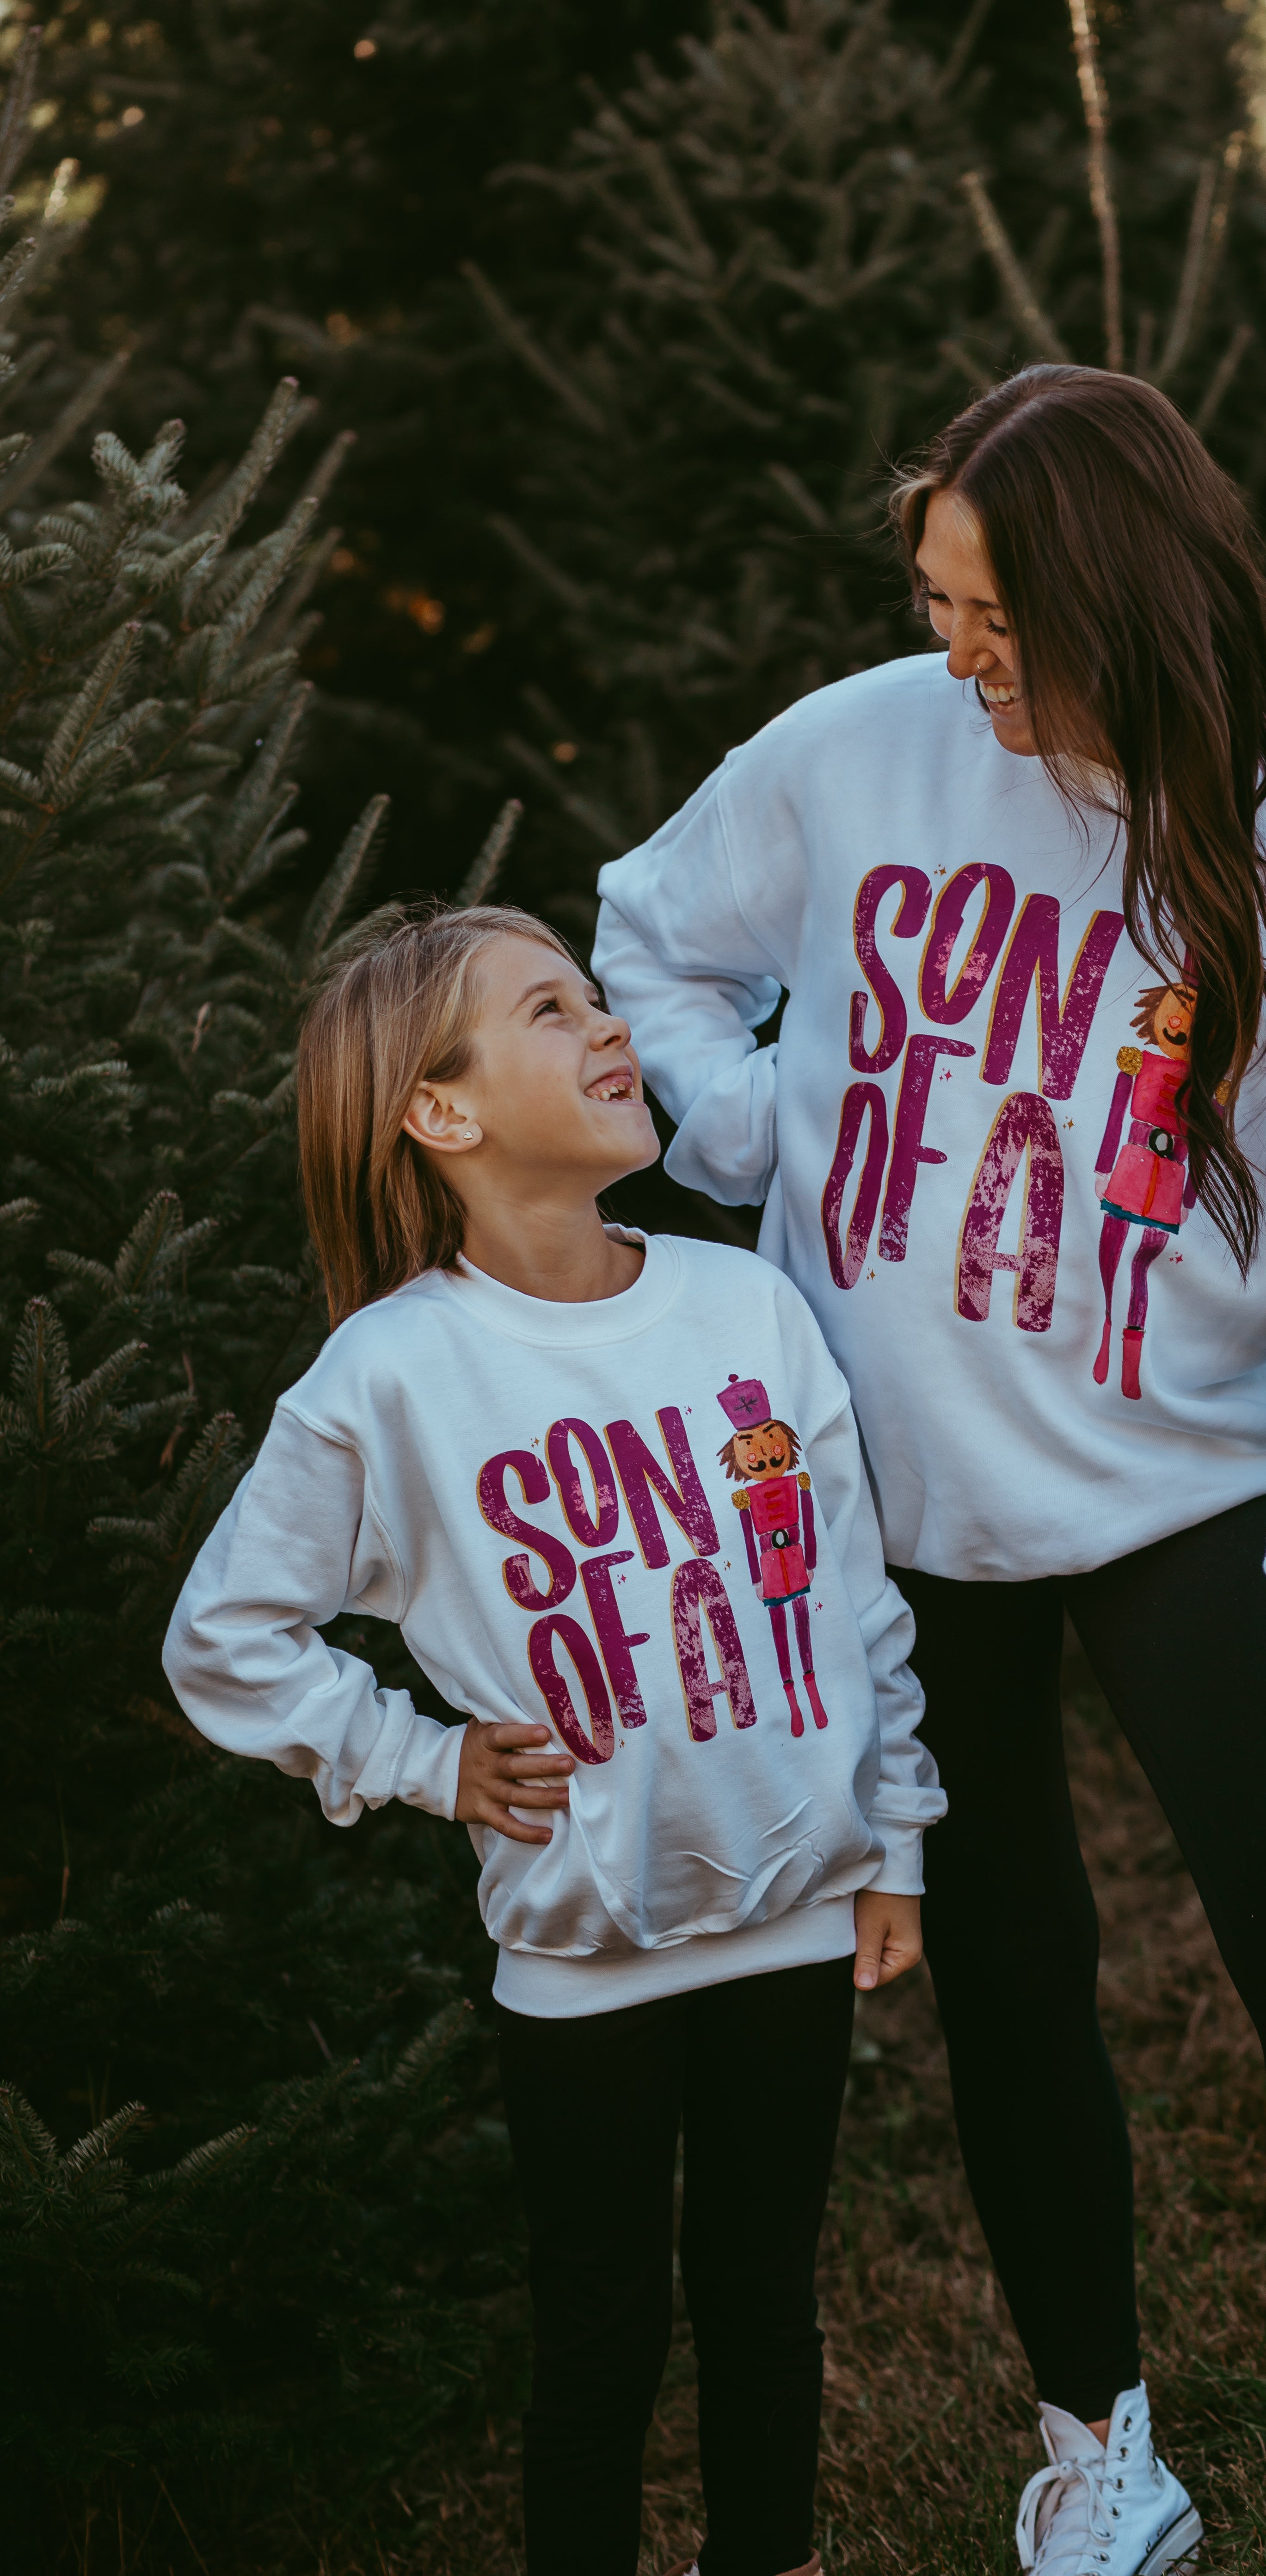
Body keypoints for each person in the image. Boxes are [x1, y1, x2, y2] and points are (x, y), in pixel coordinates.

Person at [594, 366, 1266, 2576]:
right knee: (1011, 1970)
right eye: (935, 605)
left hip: (1188, 1496)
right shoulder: (855, 753)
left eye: (997, 618)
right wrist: (749, 1134)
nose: (959, 659)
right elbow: (652, 931)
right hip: (892, 1501)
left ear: (1123, 599)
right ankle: (1098, 2449)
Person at [162, 906, 945, 2576]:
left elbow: (854, 1604)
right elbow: (224, 1638)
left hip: (795, 1918)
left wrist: (897, 1837)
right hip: (585, 1956)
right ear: (439, 1111)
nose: (608, 1027)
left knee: (762, 2299)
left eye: (597, 998)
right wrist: (423, 1759)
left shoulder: (746, 1309)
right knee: (602, 2335)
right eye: (548, 1009)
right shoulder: (391, 1377)